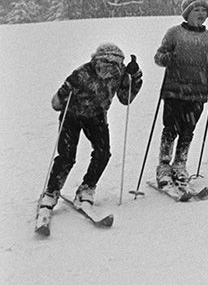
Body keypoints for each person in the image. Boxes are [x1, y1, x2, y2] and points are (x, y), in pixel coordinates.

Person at [39, 43, 143, 211]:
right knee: (67, 156)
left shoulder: (120, 74)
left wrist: (135, 77)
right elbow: (56, 104)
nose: (108, 68)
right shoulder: (82, 73)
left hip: (97, 116)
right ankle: (51, 192)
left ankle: (87, 188)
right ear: (96, 61)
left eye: (114, 64)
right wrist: (65, 91)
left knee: (103, 153)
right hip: (72, 116)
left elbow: (126, 98)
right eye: (104, 63)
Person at [152, 0, 208, 188]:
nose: (201, 13)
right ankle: (164, 166)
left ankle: (180, 165)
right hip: (174, 90)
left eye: (204, 10)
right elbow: (158, 56)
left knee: (188, 130)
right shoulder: (174, 33)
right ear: (187, 13)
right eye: (196, 10)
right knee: (170, 128)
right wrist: (166, 58)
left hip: (198, 92)